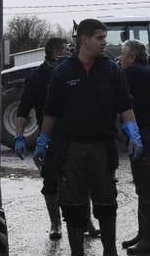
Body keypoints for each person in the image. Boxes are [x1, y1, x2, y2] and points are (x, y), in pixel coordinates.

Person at [35, 19, 144, 256]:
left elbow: (124, 104)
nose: (105, 42)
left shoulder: (111, 70)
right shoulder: (62, 72)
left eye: (105, 37)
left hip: (102, 147)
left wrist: (133, 131)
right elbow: (51, 111)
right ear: (84, 40)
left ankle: (111, 253)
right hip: (70, 148)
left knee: (107, 203)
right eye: (100, 38)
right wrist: (42, 140)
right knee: (73, 205)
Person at [14, 37, 92, 241]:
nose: (71, 52)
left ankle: (87, 223)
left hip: (75, 135)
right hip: (49, 138)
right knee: (50, 182)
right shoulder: (36, 78)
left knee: (82, 180)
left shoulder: (74, 72)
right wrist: (19, 136)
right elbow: (23, 109)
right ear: (57, 53)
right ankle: (55, 223)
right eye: (67, 49)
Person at [118, 39, 150, 256]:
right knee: (143, 188)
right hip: (148, 134)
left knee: (146, 190)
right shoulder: (146, 71)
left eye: (123, 54)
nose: (120, 58)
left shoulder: (133, 73)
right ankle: (143, 233)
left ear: (133, 57)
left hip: (143, 135)